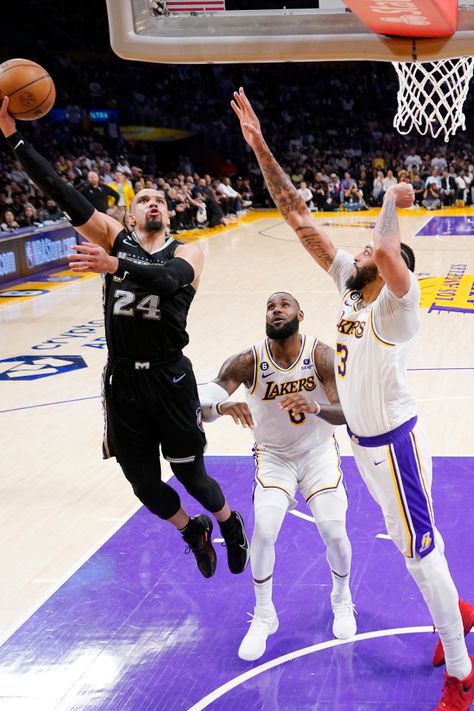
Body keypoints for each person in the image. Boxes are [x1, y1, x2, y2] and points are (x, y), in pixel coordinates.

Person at [231, 87, 474, 711]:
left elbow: (390, 250)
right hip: (362, 447)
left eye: (367, 251)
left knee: (422, 552)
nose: (359, 251)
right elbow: (297, 217)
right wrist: (260, 146)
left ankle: (459, 668)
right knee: (412, 547)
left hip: (394, 447)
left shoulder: (397, 307)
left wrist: (392, 199)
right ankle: (462, 610)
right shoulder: (349, 291)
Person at [0, 96, 249, 581]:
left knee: (190, 474)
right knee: (142, 484)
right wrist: (13, 137)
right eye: (144, 200)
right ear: (129, 218)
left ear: (168, 215)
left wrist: (114, 266)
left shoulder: (190, 252)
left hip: (169, 376)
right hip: (122, 381)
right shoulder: (114, 237)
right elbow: (59, 189)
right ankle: (192, 530)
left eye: (160, 200)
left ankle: (228, 520)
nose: (153, 203)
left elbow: (163, 281)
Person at [199, 291, 356, 661]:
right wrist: (222, 405)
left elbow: (347, 412)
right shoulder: (248, 360)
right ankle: (265, 615)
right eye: (270, 306)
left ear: (300, 313)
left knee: (334, 531)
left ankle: (342, 597)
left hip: (318, 453)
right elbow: (203, 406)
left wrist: (315, 405)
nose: (277, 310)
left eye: (284, 304)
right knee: (264, 531)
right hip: (274, 457)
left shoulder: (320, 355)